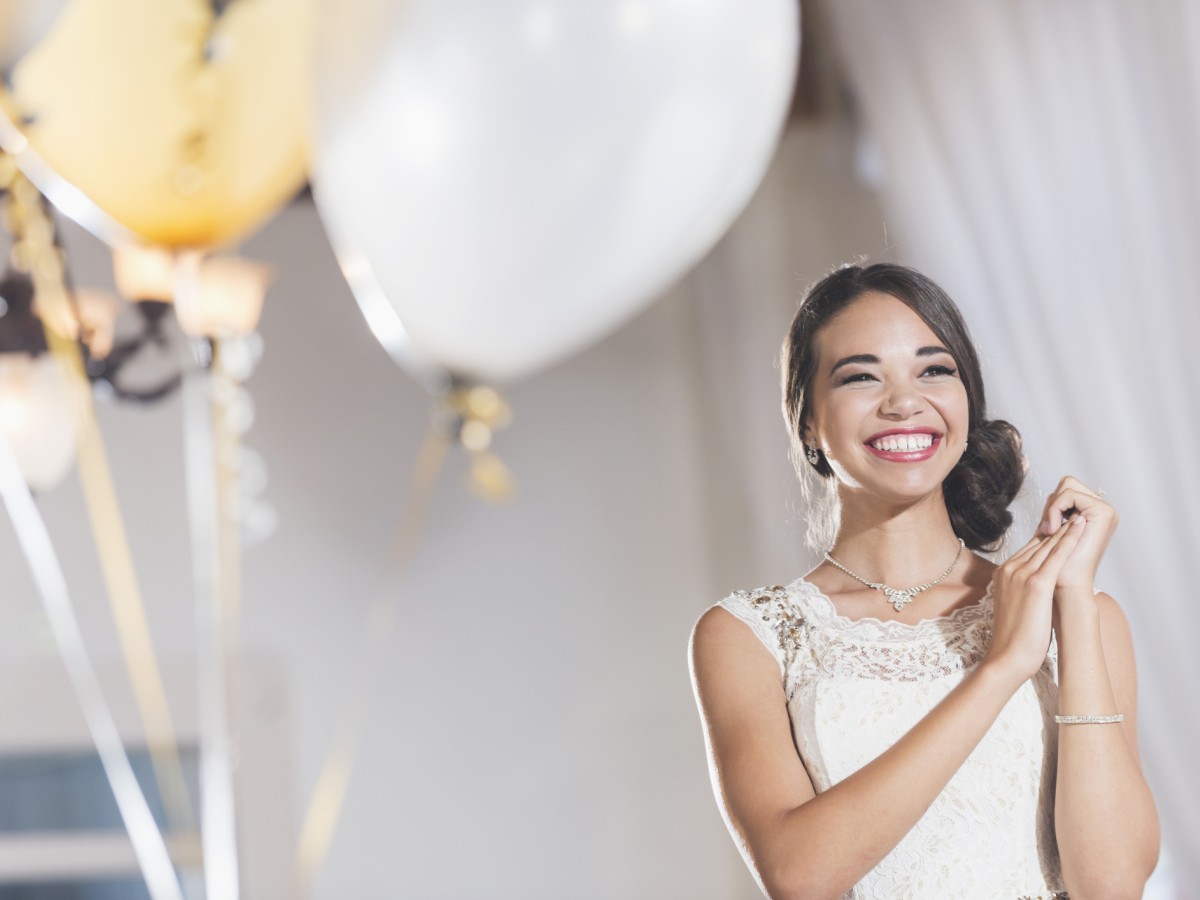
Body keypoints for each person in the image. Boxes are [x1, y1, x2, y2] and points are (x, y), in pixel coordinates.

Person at [688, 263, 1159, 899]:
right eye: (861, 376)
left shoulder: (1085, 617)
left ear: (967, 401)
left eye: (934, 370)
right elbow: (799, 877)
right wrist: (1000, 669)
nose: (904, 401)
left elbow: (1112, 885)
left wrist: (1068, 603)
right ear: (807, 421)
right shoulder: (750, 635)